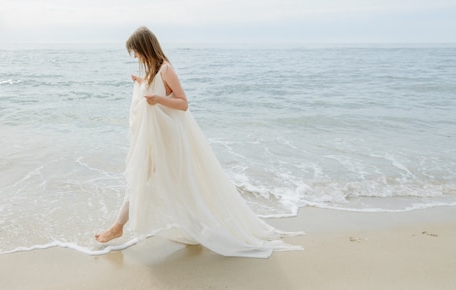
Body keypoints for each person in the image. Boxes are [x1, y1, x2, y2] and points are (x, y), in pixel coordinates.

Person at [95, 26, 301, 258]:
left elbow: (183, 103)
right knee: (144, 179)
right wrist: (143, 83)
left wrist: (158, 98)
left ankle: (121, 227)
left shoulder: (165, 69)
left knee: (176, 184)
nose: (135, 56)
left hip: (171, 140)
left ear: (145, 47)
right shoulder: (153, 71)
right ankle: (127, 227)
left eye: (136, 51)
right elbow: (160, 93)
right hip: (157, 141)